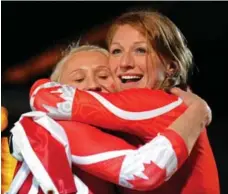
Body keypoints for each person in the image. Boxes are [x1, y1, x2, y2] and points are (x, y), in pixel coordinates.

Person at [9, 11, 218, 194]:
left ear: (171, 67)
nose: (92, 86)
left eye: (103, 75)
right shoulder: (60, 128)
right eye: (117, 51)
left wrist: (198, 112)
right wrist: (198, 112)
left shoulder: (155, 103)